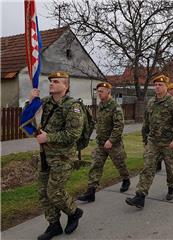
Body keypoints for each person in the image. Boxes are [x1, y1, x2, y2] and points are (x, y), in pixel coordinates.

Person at [30, 71, 84, 240]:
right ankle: (54, 225)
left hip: (62, 157)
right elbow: (30, 120)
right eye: (51, 81)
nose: (51, 84)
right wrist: (31, 101)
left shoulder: (73, 106)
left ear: (65, 86)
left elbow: (73, 134)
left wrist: (49, 137)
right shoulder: (44, 102)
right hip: (45, 155)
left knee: (54, 192)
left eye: (56, 81)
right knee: (43, 192)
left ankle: (74, 212)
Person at [125, 74, 173, 208]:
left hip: (168, 142)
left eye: (160, 85)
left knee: (171, 169)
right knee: (147, 168)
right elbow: (146, 123)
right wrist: (144, 139)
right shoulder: (151, 102)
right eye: (156, 85)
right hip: (153, 141)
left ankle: (171, 188)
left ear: (166, 87)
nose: (157, 87)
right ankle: (140, 196)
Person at [78, 82, 130, 203]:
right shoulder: (101, 105)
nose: (99, 94)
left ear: (108, 92)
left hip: (113, 144)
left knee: (120, 164)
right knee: (96, 165)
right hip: (101, 143)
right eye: (98, 92)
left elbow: (119, 125)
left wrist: (111, 140)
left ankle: (126, 179)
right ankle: (91, 192)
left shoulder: (115, 106)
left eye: (101, 91)